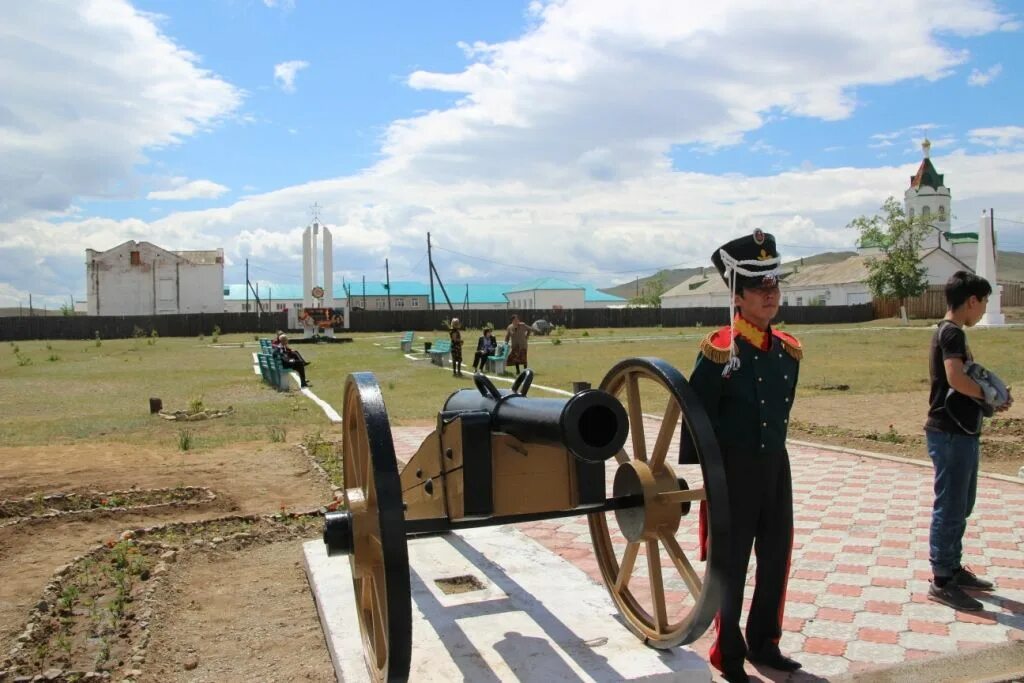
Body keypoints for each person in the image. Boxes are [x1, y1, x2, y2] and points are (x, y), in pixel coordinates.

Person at [683, 230, 802, 683]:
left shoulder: (787, 350)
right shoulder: (719, 350)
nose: (771, 295)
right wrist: (710, 478)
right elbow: (697, 416)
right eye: (760, 288)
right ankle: (727, 649)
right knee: (730, 562)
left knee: (776, 555)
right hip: (733, 472)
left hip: (774, 466)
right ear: (738, 296)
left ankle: (765, 641)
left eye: (775, 286)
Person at [924, 271, 1012, 611]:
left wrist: (990, 394)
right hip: (949, 432)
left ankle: (953, 567)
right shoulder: (951, 334)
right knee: (950, 507)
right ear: (971, 301)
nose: (984, 308)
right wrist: (988, 396)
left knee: (962, 504)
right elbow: (956, 378)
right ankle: (942, 579)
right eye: (984, 302)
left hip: (960, 431)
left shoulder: (952, 332)